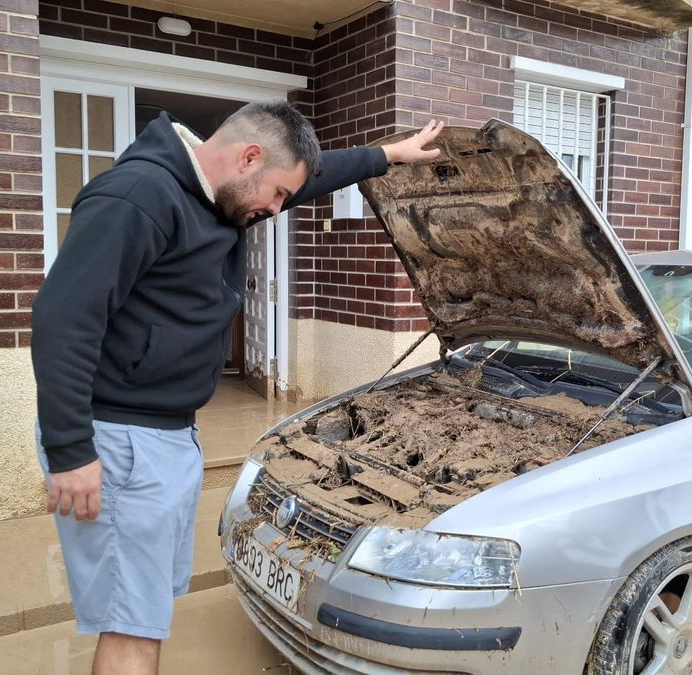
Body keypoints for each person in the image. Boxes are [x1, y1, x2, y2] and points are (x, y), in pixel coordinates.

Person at [30, 102, 442, 674]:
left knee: (142, 611)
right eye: (275, 195)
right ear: (248, 157)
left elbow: (305, 178)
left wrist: (386, 157)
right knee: (132, 625)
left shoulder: (223, 191)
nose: (277, 210)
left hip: (165, 437)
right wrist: (71, 449)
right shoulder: (137, 197)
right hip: (121, 440)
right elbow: (62, 320)